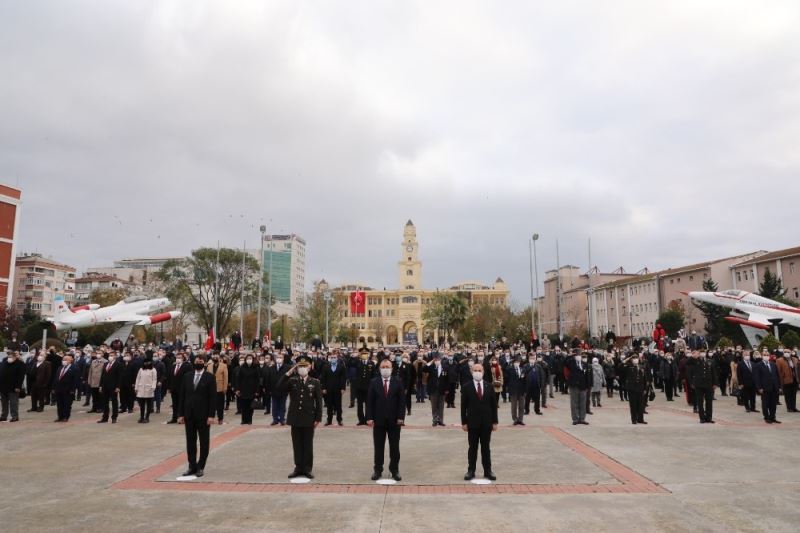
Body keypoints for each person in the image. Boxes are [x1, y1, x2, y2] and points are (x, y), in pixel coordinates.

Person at [276, 355, 323, 479]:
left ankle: (307, 468)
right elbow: (279, 388)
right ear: (297, 368)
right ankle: (298, 467)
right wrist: (288, 373)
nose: (302, 368)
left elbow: (318, 402)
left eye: (305, 366)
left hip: (309, 418)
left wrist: (318, 418)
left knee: (308, 444)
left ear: (309, 367)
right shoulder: (292, 381)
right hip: (295, 417)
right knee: (296, 444)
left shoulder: (315, 382)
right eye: (300, 366)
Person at [366, 358, 405, 481]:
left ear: (392, 368)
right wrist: (369, 417)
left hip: (394, 421)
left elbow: (402, 402)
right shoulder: (374, 382)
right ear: (379, 369)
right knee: (378, 447)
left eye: (387, 367)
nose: (385, 369)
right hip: (378, 421)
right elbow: (369, 401)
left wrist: (401, 417)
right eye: (383, 367)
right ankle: (378, 470)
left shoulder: (398, 382)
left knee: (394, 447)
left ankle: (394, 470)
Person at [178, 355, 217, 477]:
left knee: (204, 442)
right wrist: (181, 414)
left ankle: (201, 466)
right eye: (196, 361)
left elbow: (213, 398)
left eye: (201, 361)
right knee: (190, 441)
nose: (198, 363)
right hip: (189, 414)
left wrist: (211, 415)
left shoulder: (210, 377)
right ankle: (192, 466)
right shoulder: (187, 376)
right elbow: (182, 397)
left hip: (204, 415)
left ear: (204, 363)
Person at [461, 363, 498, 481]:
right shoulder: (466, 387)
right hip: (472, 423)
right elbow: (463, 406)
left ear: (483, 372)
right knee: (473, 448)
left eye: (479, 370)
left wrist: (495, 421)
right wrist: (464, 422)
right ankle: (471, 470)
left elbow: (493, 405)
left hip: (487, 423)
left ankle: (488, 471)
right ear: (472, 372)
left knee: (486, 447)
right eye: (475, 370)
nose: (477, 372)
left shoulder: (489, 386)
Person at [690, 351, 718, 424]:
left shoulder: (710, 361)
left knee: (709, 402)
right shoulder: (695, 361)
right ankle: (702, 418)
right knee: (700, 402)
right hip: (699, 385)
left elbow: (713, 372)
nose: (702, 354)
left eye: (704, 352)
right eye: (701, 352)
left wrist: (715, 383)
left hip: (709, 384)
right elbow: (688, 364)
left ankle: (709, 418)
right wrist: (693, 356)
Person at [565, 350, 592, 425]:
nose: (579, 356)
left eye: (580, 355)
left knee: (583, 403)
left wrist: (588, 386)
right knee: (574, 403)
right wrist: (570, 355)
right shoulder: (571, 363)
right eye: (577, 355)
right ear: (574, 356)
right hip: (574, 386)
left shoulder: (585, 364)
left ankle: (582, 419)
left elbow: (587, 376)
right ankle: (575, 419)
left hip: (583, 386)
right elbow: (565, 362)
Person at [754, 354, 781, 424]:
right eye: (764, 355)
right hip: (764, 388)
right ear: (762, 356)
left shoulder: (773, 364)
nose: (766, 356)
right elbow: (757, 378)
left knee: (773, 404)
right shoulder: (758, 365)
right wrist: (759, 387)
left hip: (774, 387)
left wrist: (779, 386)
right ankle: (767, 417)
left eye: (767, 355)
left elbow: (777, 376)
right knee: (765, 404)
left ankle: (773, 417)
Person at [321, 352, 347, 426]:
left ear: (337, 358)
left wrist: (343, 388)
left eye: (334, 357)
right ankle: (329, 420)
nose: (333, 359)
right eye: (331, 357)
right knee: (329, 406)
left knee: (338, 406)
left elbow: (343, 378)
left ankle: (339, 420)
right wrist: (323, 388)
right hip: (328, 389)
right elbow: (323, 378)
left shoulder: (341, 366)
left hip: (338, 389)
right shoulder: (326, 366)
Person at [52, 354, 80, 422]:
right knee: (59, 404)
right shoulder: (60, 368)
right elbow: (56, 379)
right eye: (63, 359)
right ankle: (60, 416)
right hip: (59, 389)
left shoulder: (74, 368)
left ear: (70, 360)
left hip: (68, 390)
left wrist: (73, 390)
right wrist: (53, 388)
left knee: (67, 404)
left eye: (66, 359)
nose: (64, 361)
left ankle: (65, 417)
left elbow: (75, 380)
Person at [98, 352, 123, 424]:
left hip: (113, 386)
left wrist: (118, 386)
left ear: (115, 356)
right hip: (105, 386)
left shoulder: (118, 365)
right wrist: (100, 386)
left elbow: (119, 377)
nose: (110, 357)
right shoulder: (105, 364)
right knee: (105, 402)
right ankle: (105, 417)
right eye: (109, 355)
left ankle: (114, 417)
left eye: (112, 355)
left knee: (114, 402)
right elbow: (102, 376)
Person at [423, 354, 448, 426]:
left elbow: (447, 379)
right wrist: (430, 362)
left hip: (442, 389)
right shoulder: (431, 367)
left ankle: (440, 420)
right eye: (436, 360)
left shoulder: (445, 367)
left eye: (438, 360)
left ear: (441, 360)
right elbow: (424, 369)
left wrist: (447, 389)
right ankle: (434, 420)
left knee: (441, 406)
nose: (437, 361)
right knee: (434, 406)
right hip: (433, 389)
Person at [0, 352, 25, 422]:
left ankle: (15, 416)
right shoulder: (4, 362)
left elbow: (21, 377)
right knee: (4, 403)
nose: (9, 358)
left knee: (13, 403)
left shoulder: (20, 364)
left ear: (15, 357)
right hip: (3, 387)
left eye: (10, 357)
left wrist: (18, 387)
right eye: (8, 356)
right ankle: (3, 416)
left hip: (14, 387)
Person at [167, 353, 192, 424]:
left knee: (182, 404)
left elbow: (188, 378)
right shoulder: (173, 366)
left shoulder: (187, 366)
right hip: (173, 389)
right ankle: (174, 418)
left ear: (183, 358)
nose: (178, 359)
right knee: (174, 404)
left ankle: (182, 418)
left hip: (182, 389)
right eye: (177, 357)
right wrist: (169, 387)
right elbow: (169, 377)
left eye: (180, 357)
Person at [235, 354, 260, 425]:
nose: (249, 360)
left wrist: (257, 391)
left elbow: (257, 380)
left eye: (250, 358)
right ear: (246, 360)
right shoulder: (242, 367)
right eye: (248, 358)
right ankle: (243, 420)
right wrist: (238, 389)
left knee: (250, 407)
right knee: (244, 406)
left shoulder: (255, 367)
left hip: (252, 390)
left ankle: (249, 420)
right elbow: (239, 379)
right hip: (243, 390)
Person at [266, 353, 291, 426]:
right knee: (274, 406)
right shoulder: (271, 368)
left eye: (280, 357)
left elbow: (290, 379)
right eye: (277, 357)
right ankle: (275, 419)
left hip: (284, 390)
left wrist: (288, 389)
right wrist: (269, 389)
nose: (279, 359)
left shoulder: (287, 367)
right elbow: (268, 379)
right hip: (274, 390)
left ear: (283, 359)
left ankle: (282, 419)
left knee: (282, 406)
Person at [625, 355, 649, 424]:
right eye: (634, 358)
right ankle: (634, 419)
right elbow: (620, 366)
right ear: (631, 360)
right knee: (633, 405)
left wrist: (645, 388)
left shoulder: (641, 367)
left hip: (640, 388)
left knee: (640, 405)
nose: (636, 360)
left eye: (636, 358)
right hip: (632, 388)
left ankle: (640, 419)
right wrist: (628, 358)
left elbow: (645, 378)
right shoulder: (629, 367)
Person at [354, 350, 375, 425]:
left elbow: (373, 376)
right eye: (363, 354)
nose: (364, 355)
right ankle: (361, 420)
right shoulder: (358, 363)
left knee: (368, 404)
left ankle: (367, 419)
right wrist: (355, 356)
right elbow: (350, 364)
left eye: (365, 354)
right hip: (359, 387)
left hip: (368, 387)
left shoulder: (371, 363)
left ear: (368, 355)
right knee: (359, 405)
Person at [206, 352, 228, 424]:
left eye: (216, 355)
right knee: (210, 404)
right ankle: (210, 418)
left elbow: (225, 378)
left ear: (219, 357)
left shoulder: (224, 366)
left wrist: (225, 388)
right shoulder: (209, 366)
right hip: (210, 388)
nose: (215, 357)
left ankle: (220, 419)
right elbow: (206, 376)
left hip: (220, 388)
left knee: (220, 405)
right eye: (214, 355)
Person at [134, 358, 158, 423]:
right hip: (141, 389)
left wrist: (153, 387)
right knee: (142, 405)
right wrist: (136, 388)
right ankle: (141, 417)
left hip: (149, 389)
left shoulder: (153, 370)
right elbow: (138, 378)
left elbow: (154, 379)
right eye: (145, 362)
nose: (146, 363)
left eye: (148, 362)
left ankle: (147, 417)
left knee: (149, 405)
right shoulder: (141, 369)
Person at [505, 356, 526, 425]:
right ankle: (515, 419)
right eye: (516, 362)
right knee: (514, 406)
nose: (517, 363)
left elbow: (524, 379)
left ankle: (520, 419)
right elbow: (506, 376)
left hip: (521, 390)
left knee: (522, 406)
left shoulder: (522, 369)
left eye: (518, 362)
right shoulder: (510, 369)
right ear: (513, 363)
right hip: (513, 390)